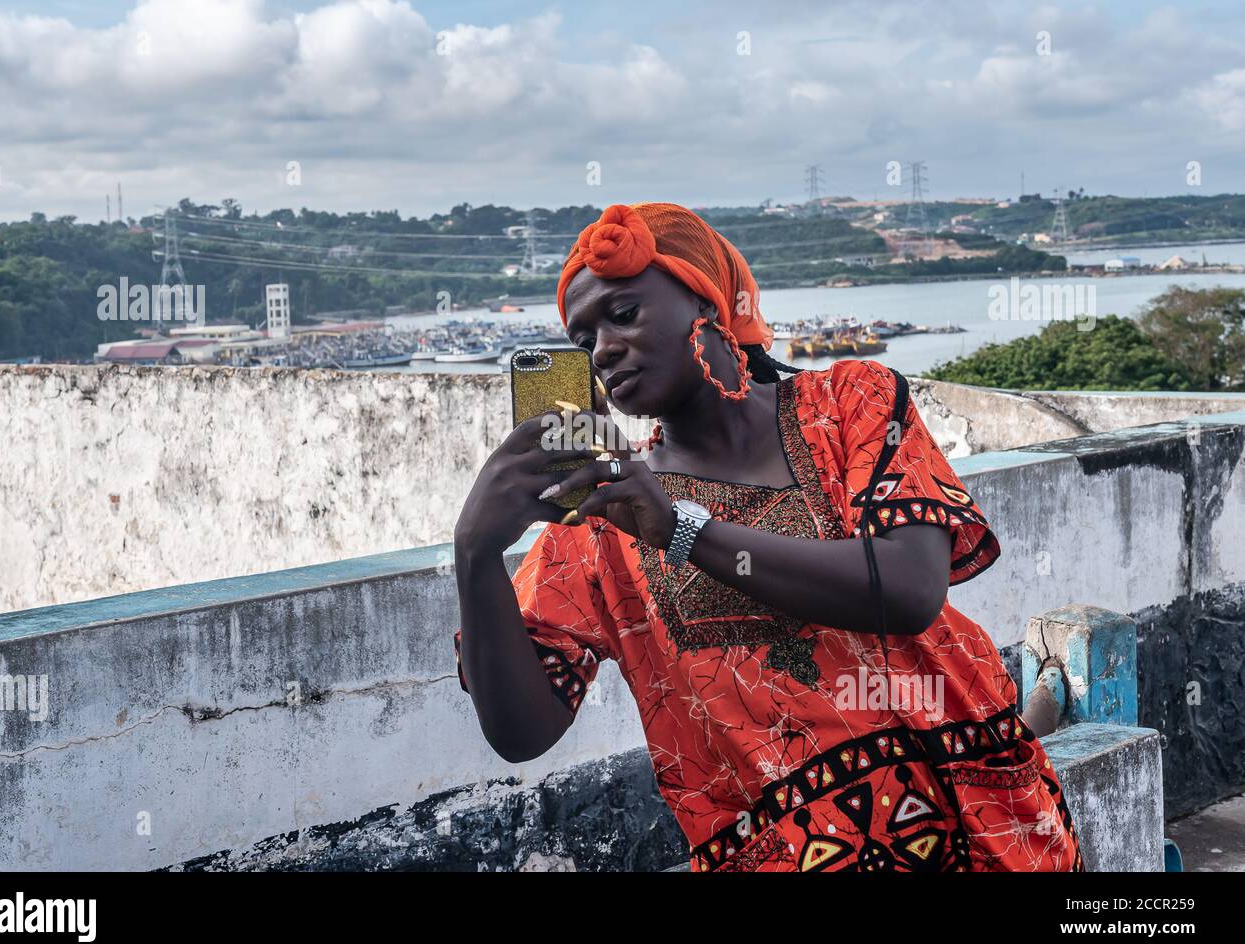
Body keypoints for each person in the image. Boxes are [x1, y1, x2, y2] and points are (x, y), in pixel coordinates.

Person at [452, 202, 1084, 872]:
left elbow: (908, 588)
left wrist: (680, 529)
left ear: (707, 301)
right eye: (583, 340)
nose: (602, 348)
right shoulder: (603, 523)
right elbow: (523, 732)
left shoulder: (850, 405)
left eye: (625, 314)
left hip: (987, 831)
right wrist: (476, 554)